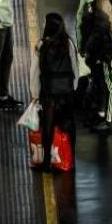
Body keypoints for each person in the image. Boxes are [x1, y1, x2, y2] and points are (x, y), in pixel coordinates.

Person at [76, 0, 112, 133]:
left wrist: (86, 47)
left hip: (102, 51)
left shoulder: (101, 2)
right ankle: (101, 114)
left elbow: (99, 30)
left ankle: (109, 121)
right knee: (100, 82)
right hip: (94, 50)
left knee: (108, 85)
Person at [36, 13, 78, 168]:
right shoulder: (68, 43)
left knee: (48, 126)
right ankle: (70, 158)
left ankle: (47, 161)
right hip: (66, 91)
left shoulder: (42, 45)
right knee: (68, 122)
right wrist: (73, 87)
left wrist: (35, 93)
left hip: (49, 91)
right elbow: (75, 66)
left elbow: (36, 71)